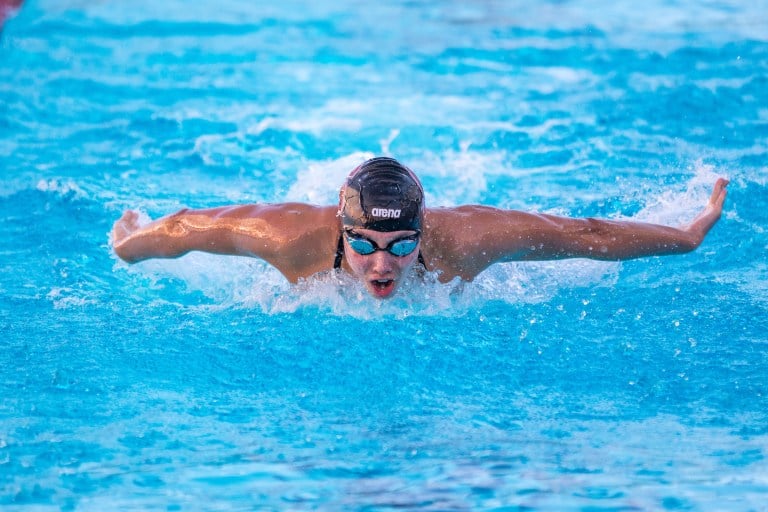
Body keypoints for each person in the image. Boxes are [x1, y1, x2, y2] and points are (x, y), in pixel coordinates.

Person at [112, 157, 729, 299]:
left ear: (422, 229)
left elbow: (586, 236)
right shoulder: (291, 239)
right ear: (340, 228)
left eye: (402, 246)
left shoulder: (466, 241)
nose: (382, 265)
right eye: (364, 246)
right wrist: (129, 244)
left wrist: (689, 235)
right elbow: (186, 229)